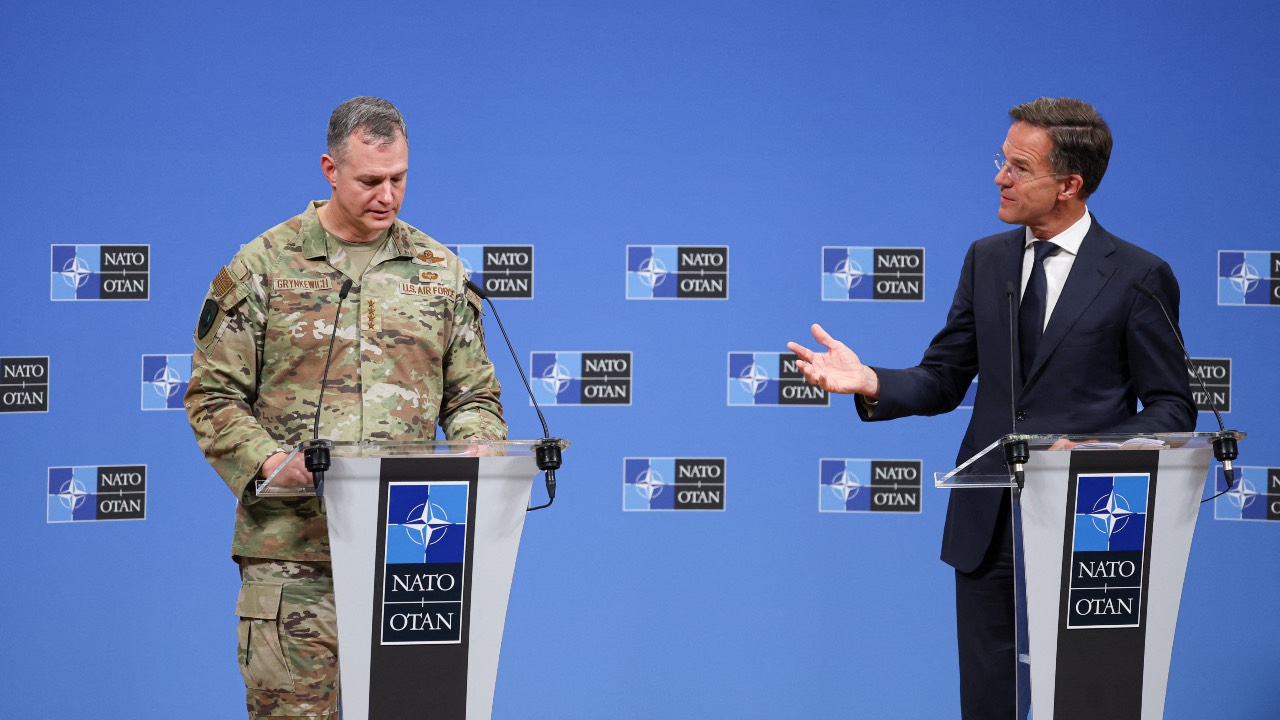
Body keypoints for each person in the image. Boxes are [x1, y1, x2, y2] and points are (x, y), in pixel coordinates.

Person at [788, 97, 1195, 719]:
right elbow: (945, 377)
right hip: (989, 524)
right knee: (987, 702)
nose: (1000, 177)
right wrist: (870, 380)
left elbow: (1171, 408)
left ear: (1069, 184)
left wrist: (1091, 452)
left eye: (1018, 167)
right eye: (1001, 161)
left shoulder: (1139, 275)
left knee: (1088, 701)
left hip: (1090, 523)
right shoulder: (989, 259)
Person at [184, 96, 506, 719]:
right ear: (330, 170)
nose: (387, 195)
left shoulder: (439, 272)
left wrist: (478, 442)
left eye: (399, 179)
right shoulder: (264, 266)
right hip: (294, 555)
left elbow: (474, 396)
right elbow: (213, 395)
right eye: (369, 181)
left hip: (413, 555)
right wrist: (275, 463)